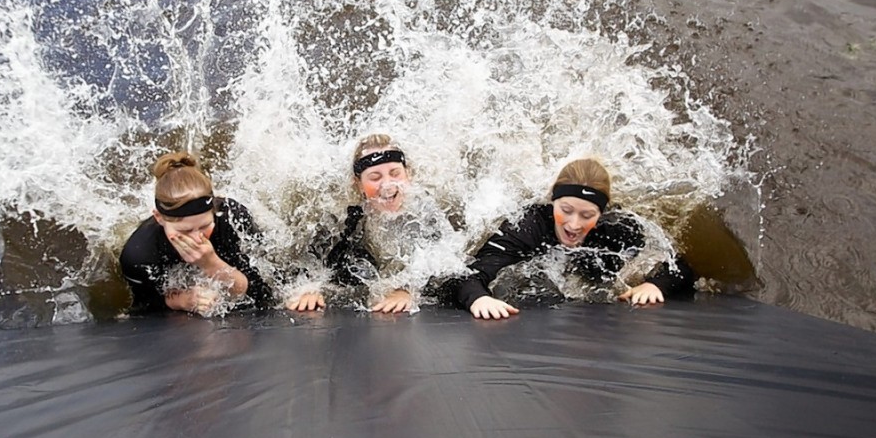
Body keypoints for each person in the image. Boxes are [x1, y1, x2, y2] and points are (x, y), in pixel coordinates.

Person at [457, 158, 695, 319]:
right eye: (566, 210)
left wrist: (654, 284)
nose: (573, 224)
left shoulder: (616, 229)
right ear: (552, 202)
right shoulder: (527, 226)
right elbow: (466, 275)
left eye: (587, 215)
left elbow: (679, 266)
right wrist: (478, 299)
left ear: (601, 214)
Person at [286, 134, 461, 314]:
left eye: (395, 173)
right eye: (375, 177)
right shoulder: (345, 220)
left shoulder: (424, 212)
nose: (387, 185)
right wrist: (308, 290)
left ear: (408, 174)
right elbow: (307, 261)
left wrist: (407, 289)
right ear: (359, 184)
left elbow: (447, 263)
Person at [119, 151, 271, 314]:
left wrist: (212, 264)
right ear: (159, 218)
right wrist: (182, 300)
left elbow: (265, 293)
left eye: (205, 226)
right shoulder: (139, 254)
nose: (197, 237)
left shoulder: (233, 219)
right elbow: (143, 306)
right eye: (185, 230)